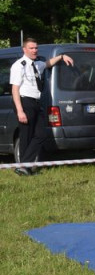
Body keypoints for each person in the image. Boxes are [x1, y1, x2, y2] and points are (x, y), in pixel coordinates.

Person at [10, 38, 73, 175]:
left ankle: (24, 165)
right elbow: (15, 89)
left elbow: (48, 64)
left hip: (36, 103)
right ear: (24, 49)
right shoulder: (18, 65)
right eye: (31, 48)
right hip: (25, 102)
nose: (34, 50)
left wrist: (62, 57)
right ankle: (24, 167)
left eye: (36, 48)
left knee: (41, 134)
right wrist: (20, 111)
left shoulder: (37, 64)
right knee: (26, 136)